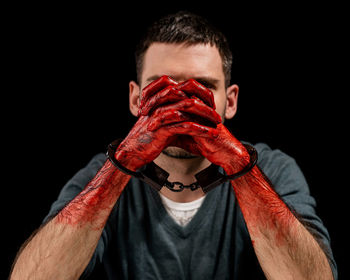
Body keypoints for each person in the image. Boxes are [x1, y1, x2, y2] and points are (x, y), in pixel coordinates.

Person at [10, 11, 337, 280]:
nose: (181, 107)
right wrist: (121, 164)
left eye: (203, 89)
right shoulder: (103, 172)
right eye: (161, 89)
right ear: (137, 99)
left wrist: (239, 167)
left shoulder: (271, 169)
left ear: (231, 101)